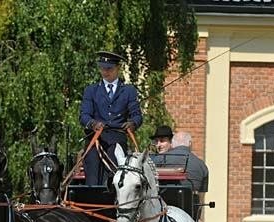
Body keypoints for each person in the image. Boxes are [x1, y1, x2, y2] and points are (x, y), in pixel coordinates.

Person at [79, 51, 143, 185]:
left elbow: (137, 116)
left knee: (115, 176)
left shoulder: (129, 91)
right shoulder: (91, 90)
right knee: (92, 172)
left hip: (117, 139)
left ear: (118, 68)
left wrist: (132, 123)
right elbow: (84, 116)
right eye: (102, 68)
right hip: (96, 139)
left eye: (109, 68)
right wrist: (92, 123)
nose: (105, 72)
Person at [152, 128, 209, 195]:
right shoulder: (202, 165)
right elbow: (201, 195)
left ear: (172, 143)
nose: (158, 145)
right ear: (190, 143)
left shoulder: (159, 159)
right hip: (191, 200)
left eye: (162, 141)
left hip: (165, 199)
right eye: (156, 141)